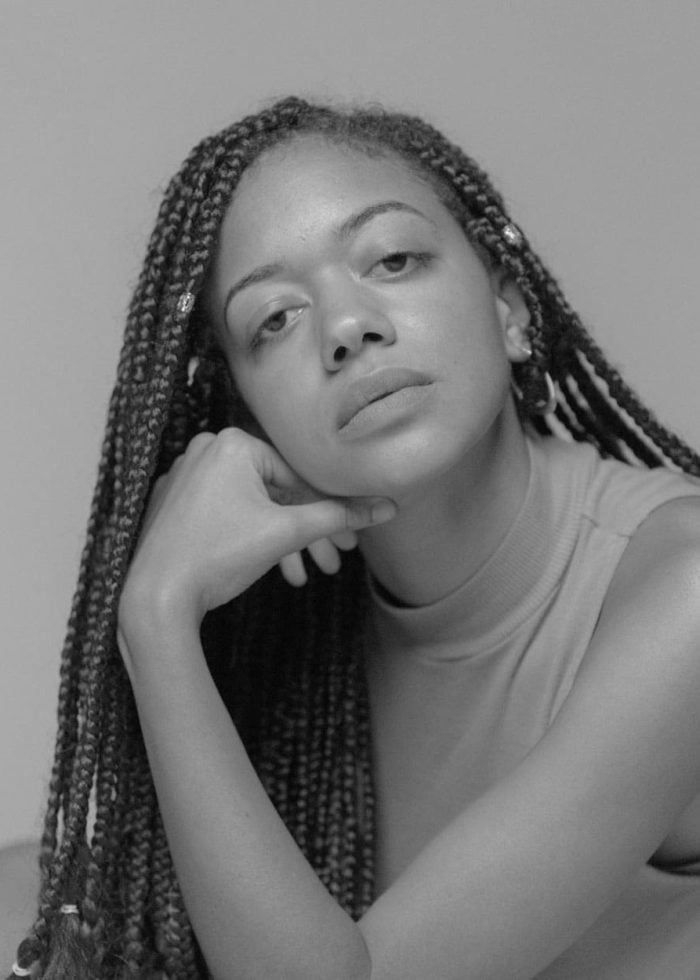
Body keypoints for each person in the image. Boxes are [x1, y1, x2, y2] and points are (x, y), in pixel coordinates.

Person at [5, 95, 700, 979]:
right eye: (275, 319)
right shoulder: (291, 632)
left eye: (394, 259)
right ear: (249, 418)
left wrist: (154, 614)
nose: (345, 327)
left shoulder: (681, 590)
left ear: (511, 308)